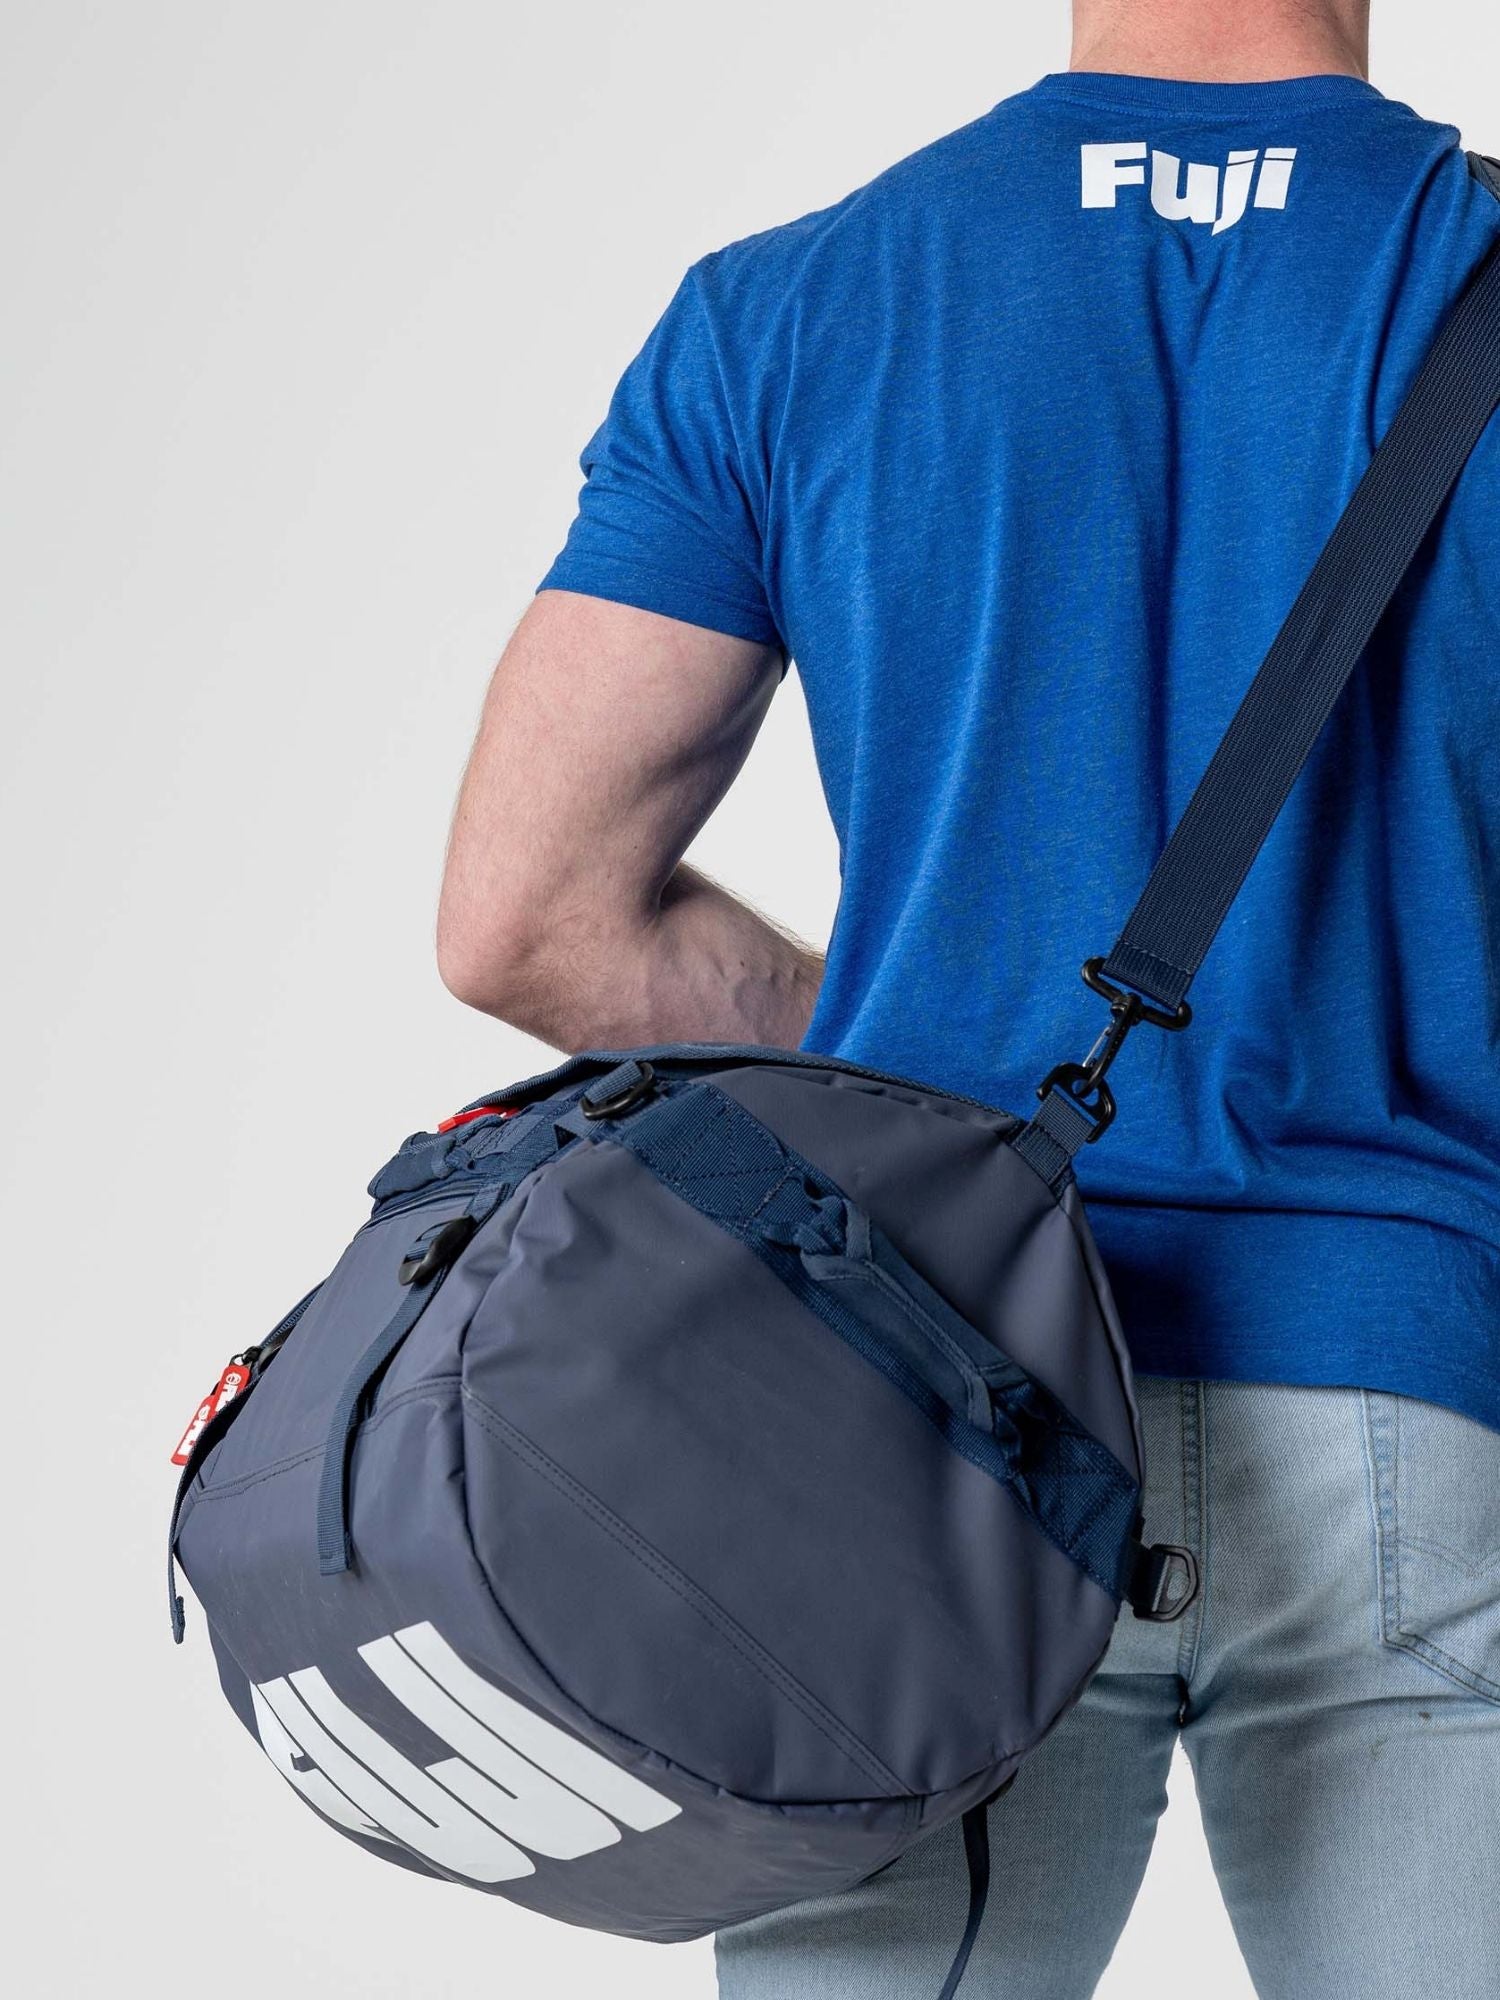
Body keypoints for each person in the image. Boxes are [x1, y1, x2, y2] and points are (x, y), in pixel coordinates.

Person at [436, 2, 1500, 1992]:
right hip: (1413, 1399)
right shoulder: (1466, 264)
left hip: (924, 1425)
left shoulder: (797, 304)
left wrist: (931, 1116)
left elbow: (527, 918)